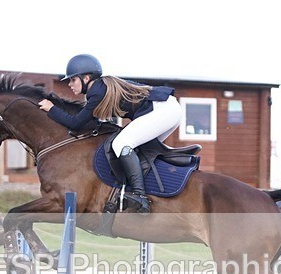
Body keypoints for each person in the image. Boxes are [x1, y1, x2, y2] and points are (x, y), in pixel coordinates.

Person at [38, 54, 181, 215]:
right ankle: (151, 192)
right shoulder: (100, 88)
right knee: (140, 151)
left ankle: (140, 197)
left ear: (86, 78)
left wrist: (52, 109)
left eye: (73, 80)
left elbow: (76, 123)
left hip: (163, 110)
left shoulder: (97, 92)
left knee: (121, 144)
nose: (70, 84)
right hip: (167, 108)